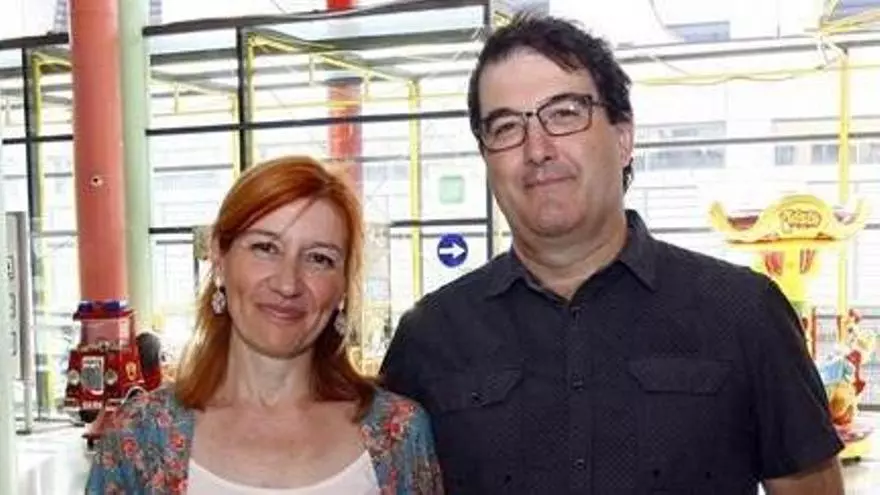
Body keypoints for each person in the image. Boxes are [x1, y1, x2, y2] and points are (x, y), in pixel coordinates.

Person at [380, 13, 845, 495]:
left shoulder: (744, 313)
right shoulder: (429, 338)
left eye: (564, 113)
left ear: (623, 138)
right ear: (486, 158)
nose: (537, 149)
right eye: (505, 127)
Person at [86, 156, 443, 494]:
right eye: (265, 248)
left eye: (319, 258)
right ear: (219, 258)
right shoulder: (140, 435)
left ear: (343, 287)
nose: (288, 284)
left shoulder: (398, 434)